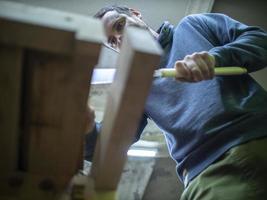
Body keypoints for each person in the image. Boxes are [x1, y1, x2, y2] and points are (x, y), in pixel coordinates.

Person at [85, 5, 267, 200]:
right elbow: (109, 147)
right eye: (112, 41)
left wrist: (216, 58)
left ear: (136, 13)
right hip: (197, 176)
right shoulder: (136, 83)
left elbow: (260, 41)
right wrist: (87, 128)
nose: (119, 38)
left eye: (120, 26)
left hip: (246, 143)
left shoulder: (193, 26)